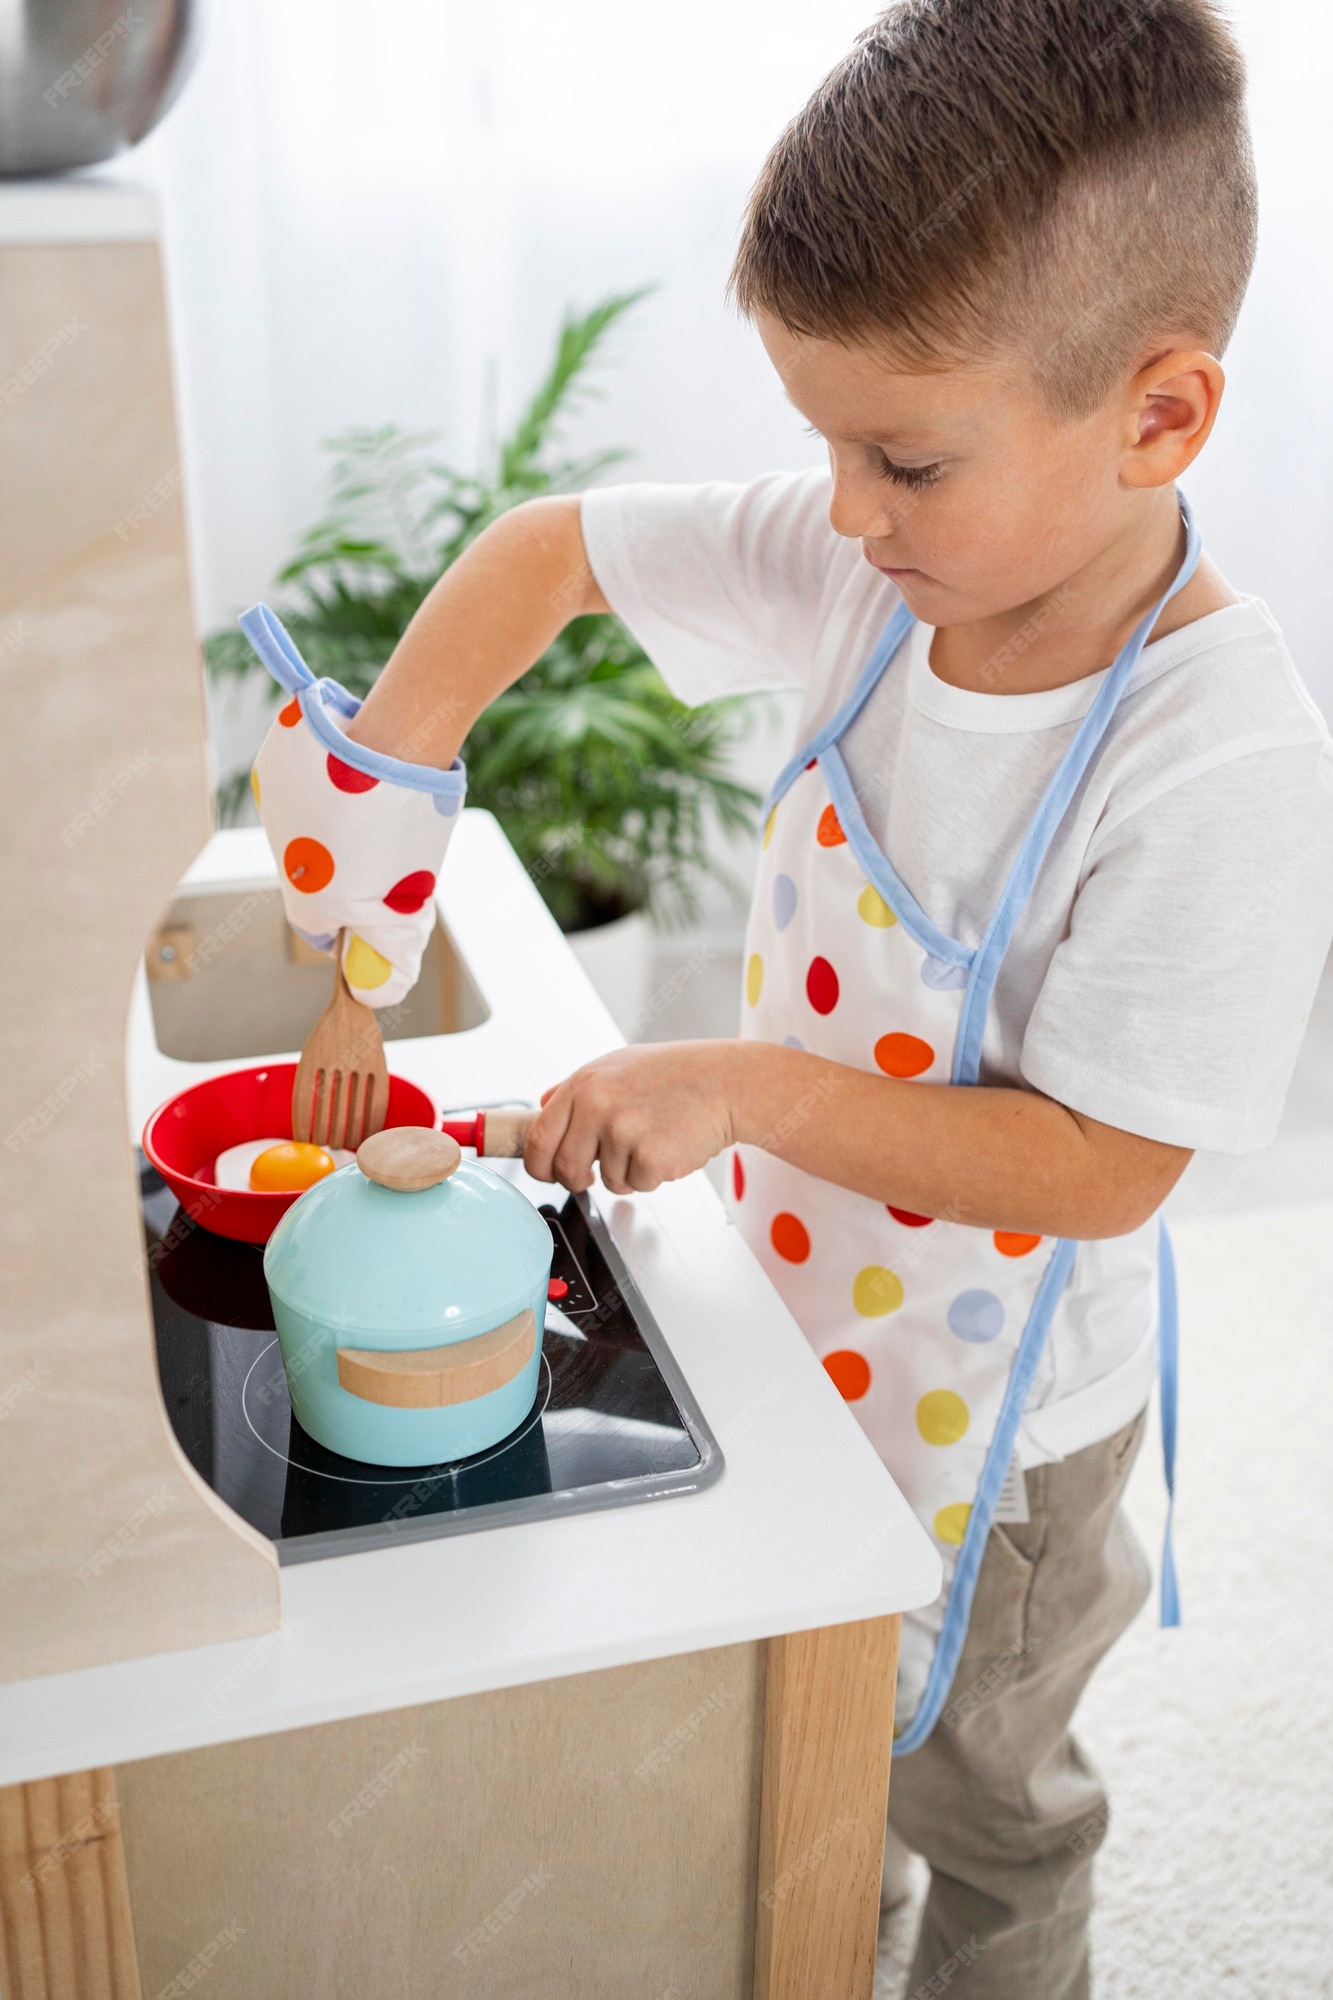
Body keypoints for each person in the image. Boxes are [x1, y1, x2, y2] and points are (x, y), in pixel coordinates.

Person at [240, 3, 1333, 1991]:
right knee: (818, 1733)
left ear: (1158, 417)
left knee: (981, 1798)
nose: (838, 507)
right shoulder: (873, 575)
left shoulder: (1219, 760)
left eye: (900, 455)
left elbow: (1096, 1169)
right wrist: (368, 835)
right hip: (794, 1302)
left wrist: (740, 1086)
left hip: (1004, 1435)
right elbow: (538, 555)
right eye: (826, 440)